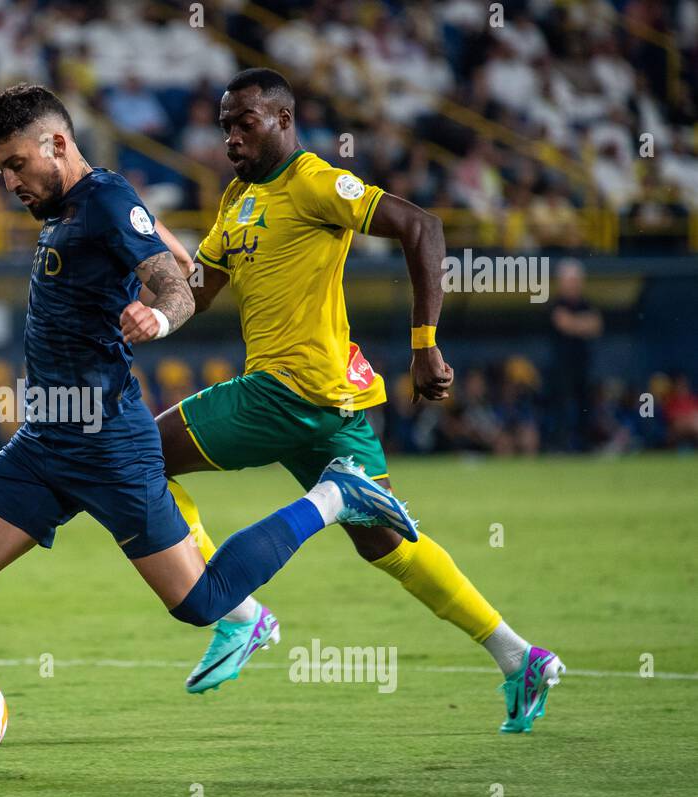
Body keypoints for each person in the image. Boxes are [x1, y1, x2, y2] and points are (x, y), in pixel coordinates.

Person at [0, 84, 418, 770]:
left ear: (58, 143)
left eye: (17, 163)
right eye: (0, 169)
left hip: (110, 439)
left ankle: (335, 496)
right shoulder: (67, 204)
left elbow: (172, 283)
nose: (9, 181)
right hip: (45, 438)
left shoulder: (108, 200)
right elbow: (174, 253)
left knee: (199, 602)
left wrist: (162, 316)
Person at [156, 69, 563, 733]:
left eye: (245, 123)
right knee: (390, 546)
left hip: (286, 389)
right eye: (225, 126)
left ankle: (235, 614)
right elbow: (200, 286)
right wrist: (147, 305)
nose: (230, 137)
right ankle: (517, 655)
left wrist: (425, 343)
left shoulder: (315, 180)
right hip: (330, 403)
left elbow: (421, 226)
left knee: (140, 457)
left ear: (284, 121)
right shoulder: (237, 198)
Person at [548, 259, 601, 451]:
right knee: (561, 408)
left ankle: (585, 446)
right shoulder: (555, 303)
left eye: (575, 280)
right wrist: (582, 324)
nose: (573, 284)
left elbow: (596, 325)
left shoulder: (586, 303)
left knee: (585, 407)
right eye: (569, 280)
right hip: (562, 366)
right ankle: (559, 446)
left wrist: (574, 324)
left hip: (583, 364)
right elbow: (563, 322)